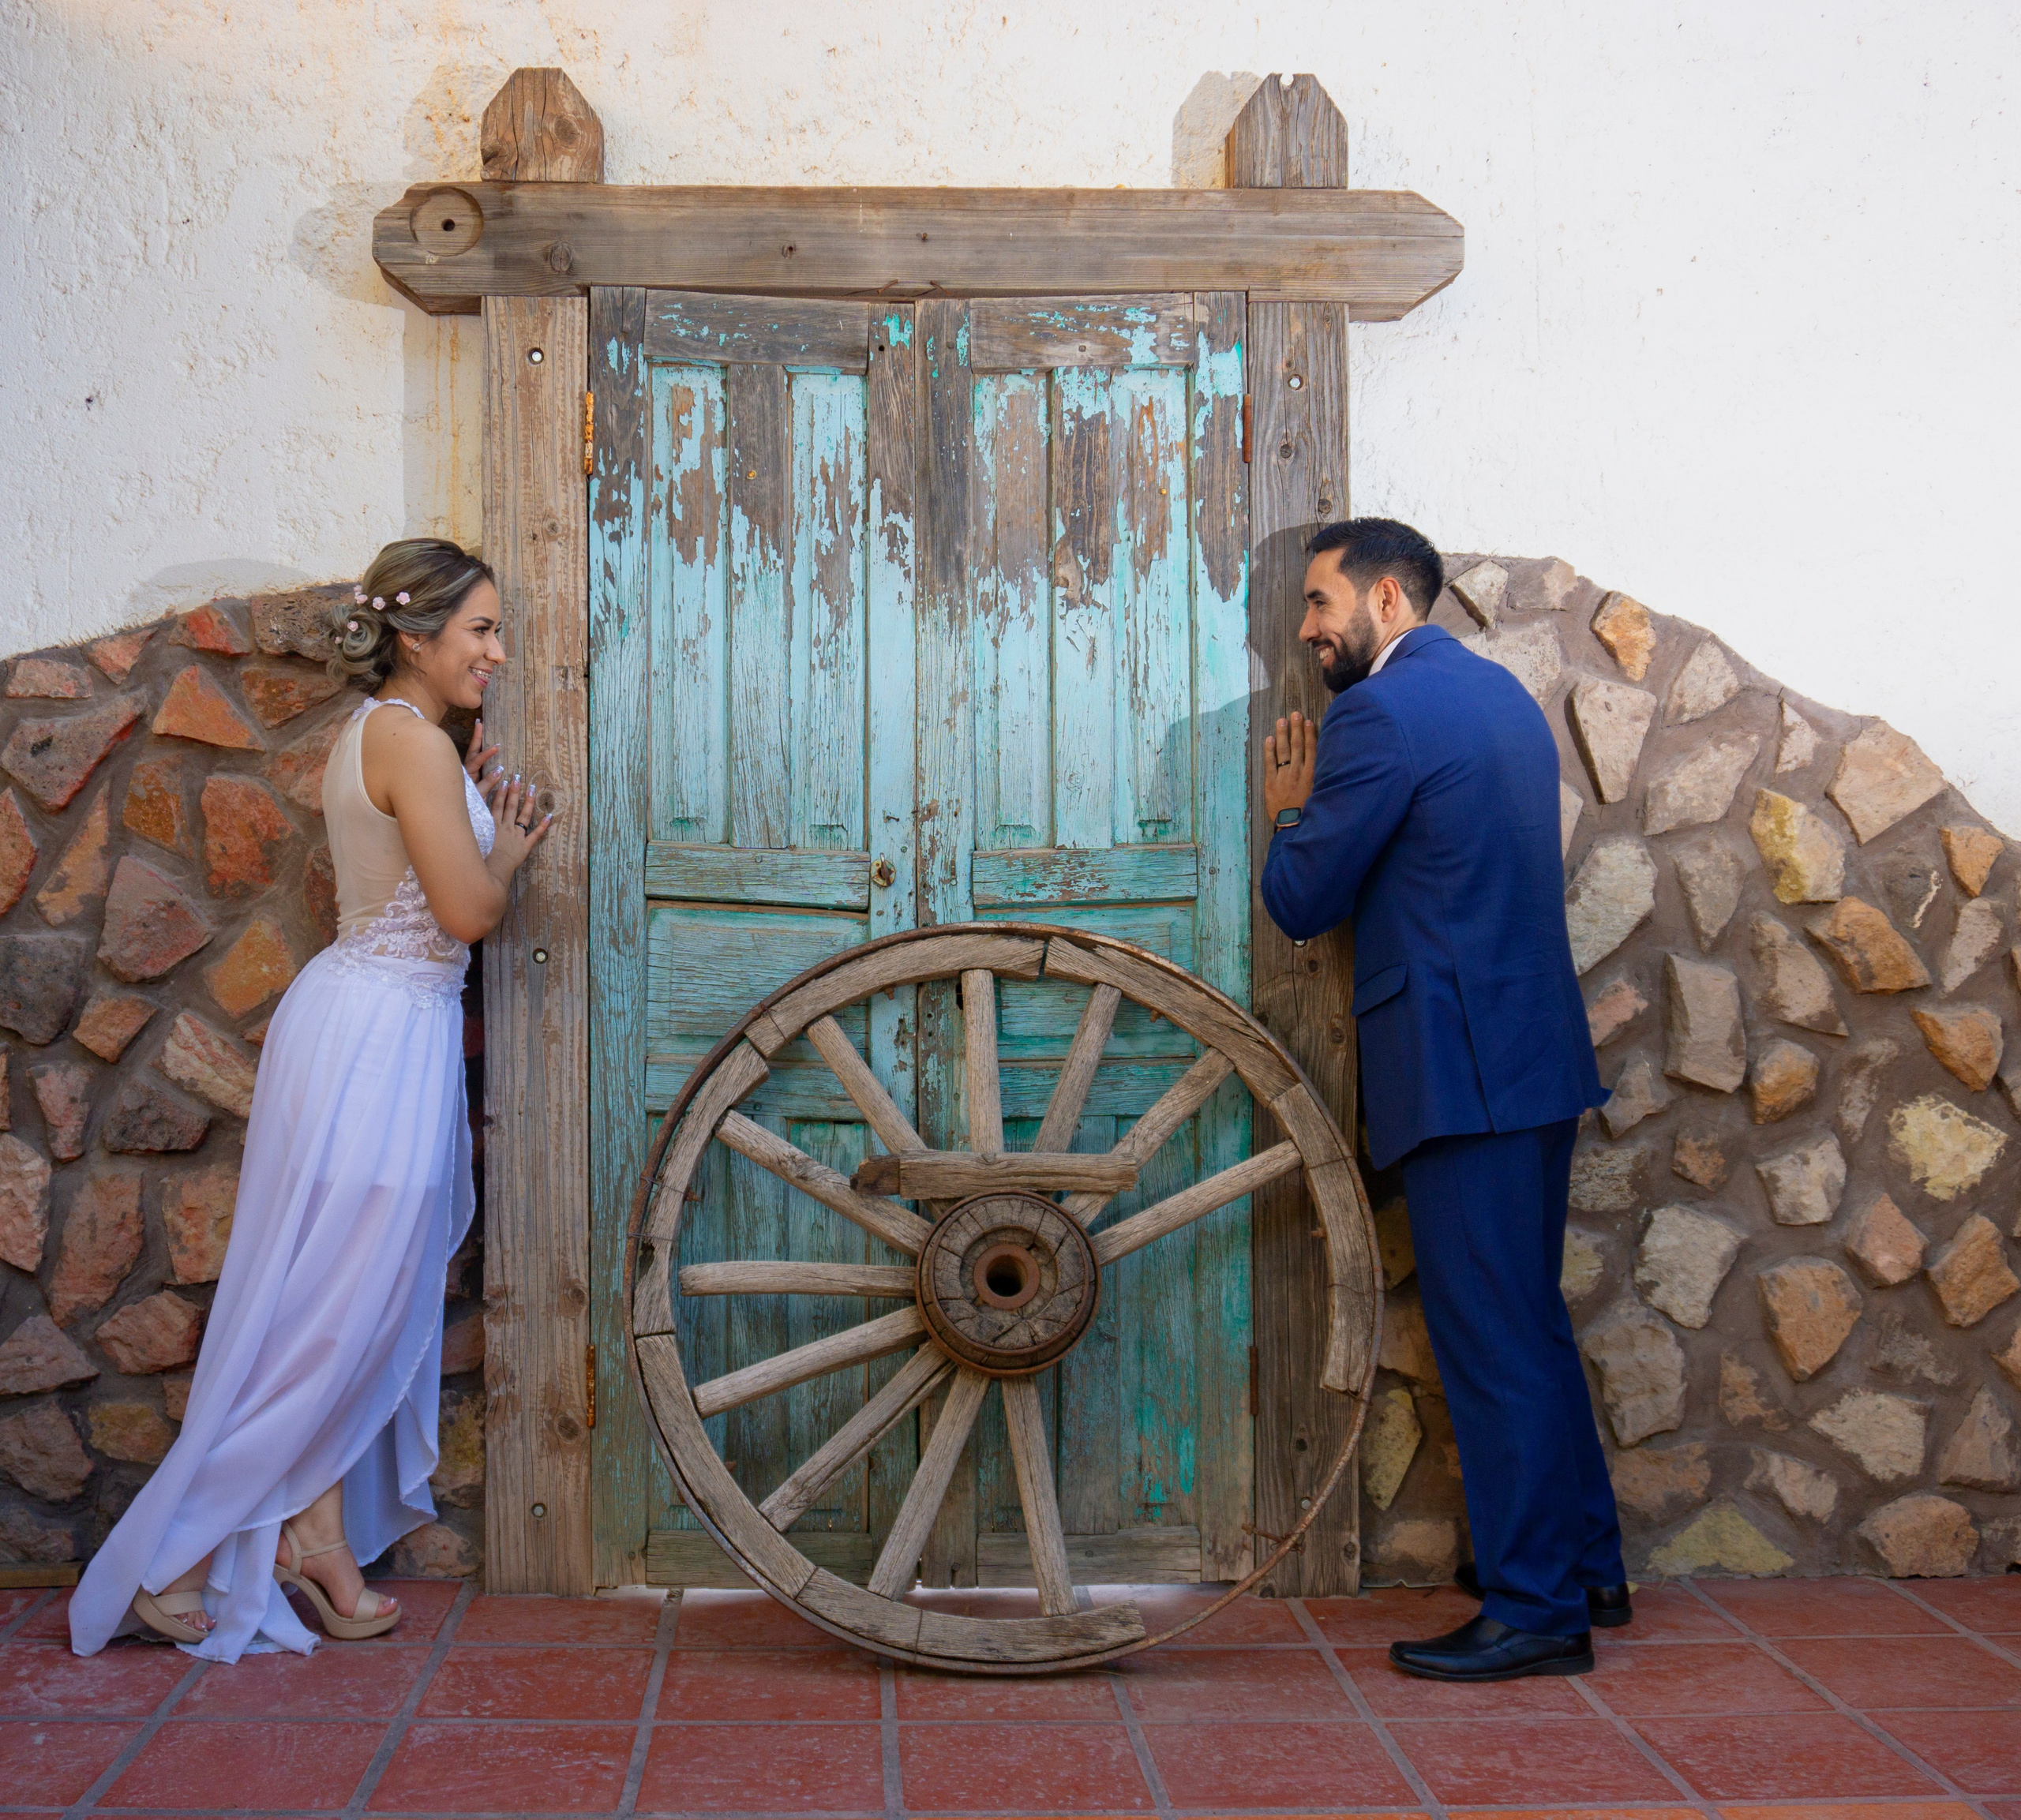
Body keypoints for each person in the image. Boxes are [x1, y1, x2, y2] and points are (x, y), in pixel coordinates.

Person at [70, 538, 555, 1661]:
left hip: (374, 1024)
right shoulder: (412, 743)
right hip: (379, 1037)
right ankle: (173, 1561)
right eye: (479, 629)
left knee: (358, 1298)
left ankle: (318, 1539)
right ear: (417, 634)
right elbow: (471, 911)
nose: (496, 649)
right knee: (335, 1311)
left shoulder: (386, 738)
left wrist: (477, 815)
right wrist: (515, 846)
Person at [1259, 518, 1629, 1683]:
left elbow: (1306, 895)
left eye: (1320, 604)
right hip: (1530, 1055)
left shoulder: (1378, 714)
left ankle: (1535, 1613)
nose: (1309, 630)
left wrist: (1287, 806)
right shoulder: (1501, 698)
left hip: (1460, 1068)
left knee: (1490, 1338)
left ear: (1387, 599)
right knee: (1531, 1320)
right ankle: (1588, 1566)